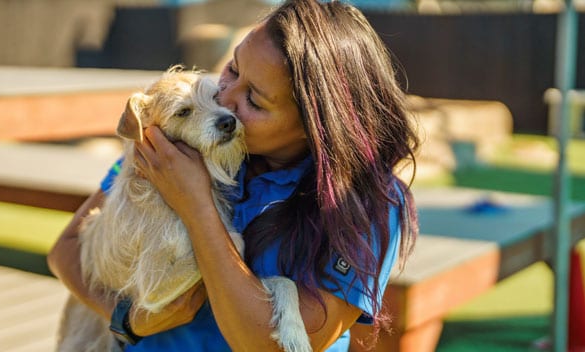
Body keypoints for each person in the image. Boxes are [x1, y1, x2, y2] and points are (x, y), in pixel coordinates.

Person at [48, 0, 419, 350]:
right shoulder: (178, 146)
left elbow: (270, 347)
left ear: (315, 125)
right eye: (233, 69)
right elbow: (65, 251)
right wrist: (129, 320)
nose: (224, 100)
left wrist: (195, 205)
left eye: (254, 100)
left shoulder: (367, 203)